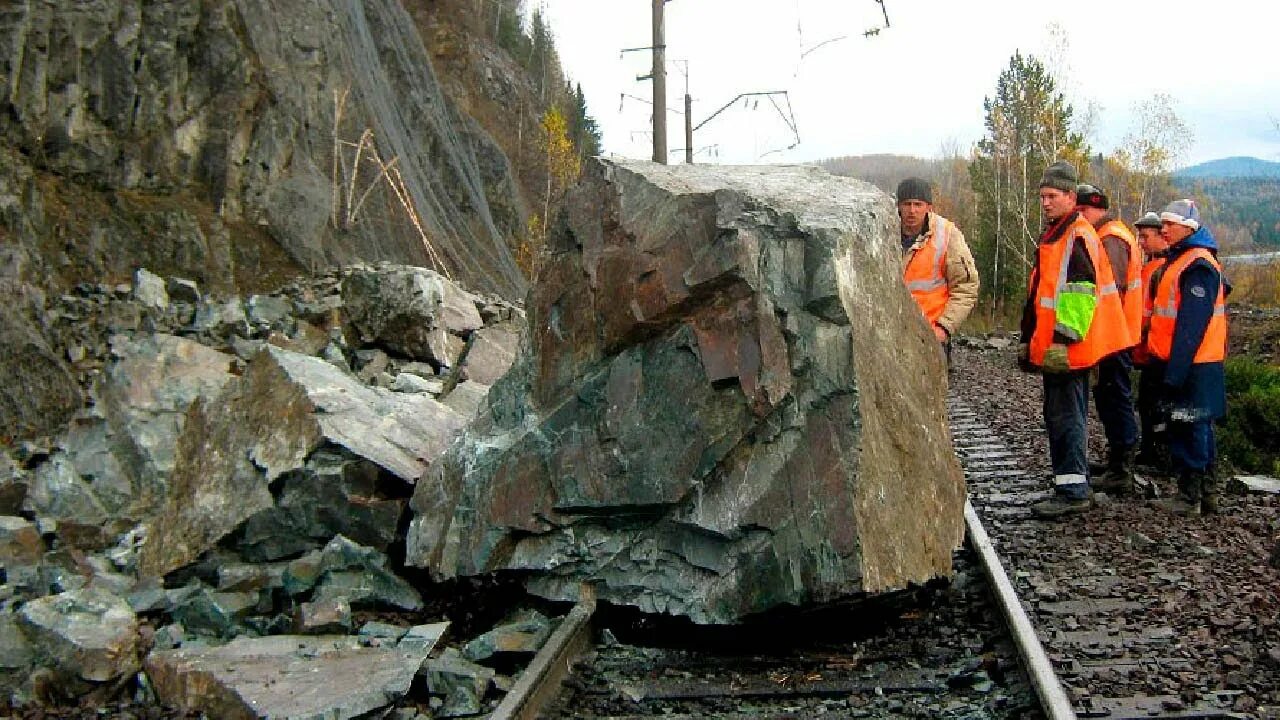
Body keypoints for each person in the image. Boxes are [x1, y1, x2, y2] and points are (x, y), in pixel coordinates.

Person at [1017, 162, 1132, 518]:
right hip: (1061, 344)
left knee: (1066, 416)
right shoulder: (1060, 232)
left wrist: (1062, 341)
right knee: (1064, 414)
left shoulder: (1075, 235)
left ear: (1071, 196)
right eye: (1042, 197)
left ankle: (1073, 491)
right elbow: (1042, 293)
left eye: (1052, 196)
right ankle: (1071, 483)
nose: (1046, 203)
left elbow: (1080, 293)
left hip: (1068, 348)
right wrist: (1029, 336)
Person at [1146, 199, 1228, 516]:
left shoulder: (1196, 264)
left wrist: (1174, 373)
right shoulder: (1188, 259)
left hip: (1190, 363)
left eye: (1169, 224)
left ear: (1188, 227)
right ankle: (1207, 494)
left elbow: (1191, 326)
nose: (1162, 229)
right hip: (1194, 361)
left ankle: (1190, 495)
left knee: (1189, 424)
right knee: (1198, 425)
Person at [1075, 185, 1142, 494]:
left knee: (1115, 398)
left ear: (1093, 209)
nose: (1079, 218)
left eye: (1081, 212)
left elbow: (1109, 288)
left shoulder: (1110, 238)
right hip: (1115, 333)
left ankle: (1122, 468)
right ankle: (1118, 460)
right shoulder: (1114, 233)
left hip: (1115, 335)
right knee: (1110, 397)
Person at [897, 177, 980, 363]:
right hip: (892, 335)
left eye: (918, 204)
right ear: (898, 207)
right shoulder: (882, 232)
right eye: (907, 204)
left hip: (932, 334)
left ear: (929, 207)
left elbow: (966, 287)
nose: (912, 210)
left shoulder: (947, 235)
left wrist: (944, 328)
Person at [1131, 211, 1172, 473]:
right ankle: (1149, 452)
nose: (1142, 242)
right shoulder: (1150, 268)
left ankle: (1160, 456)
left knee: (1157, 406)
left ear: (1162, 238)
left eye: (1146, 237)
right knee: (1146, 403)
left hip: (1159, 352)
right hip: (1148, 351)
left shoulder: (1164, 270)